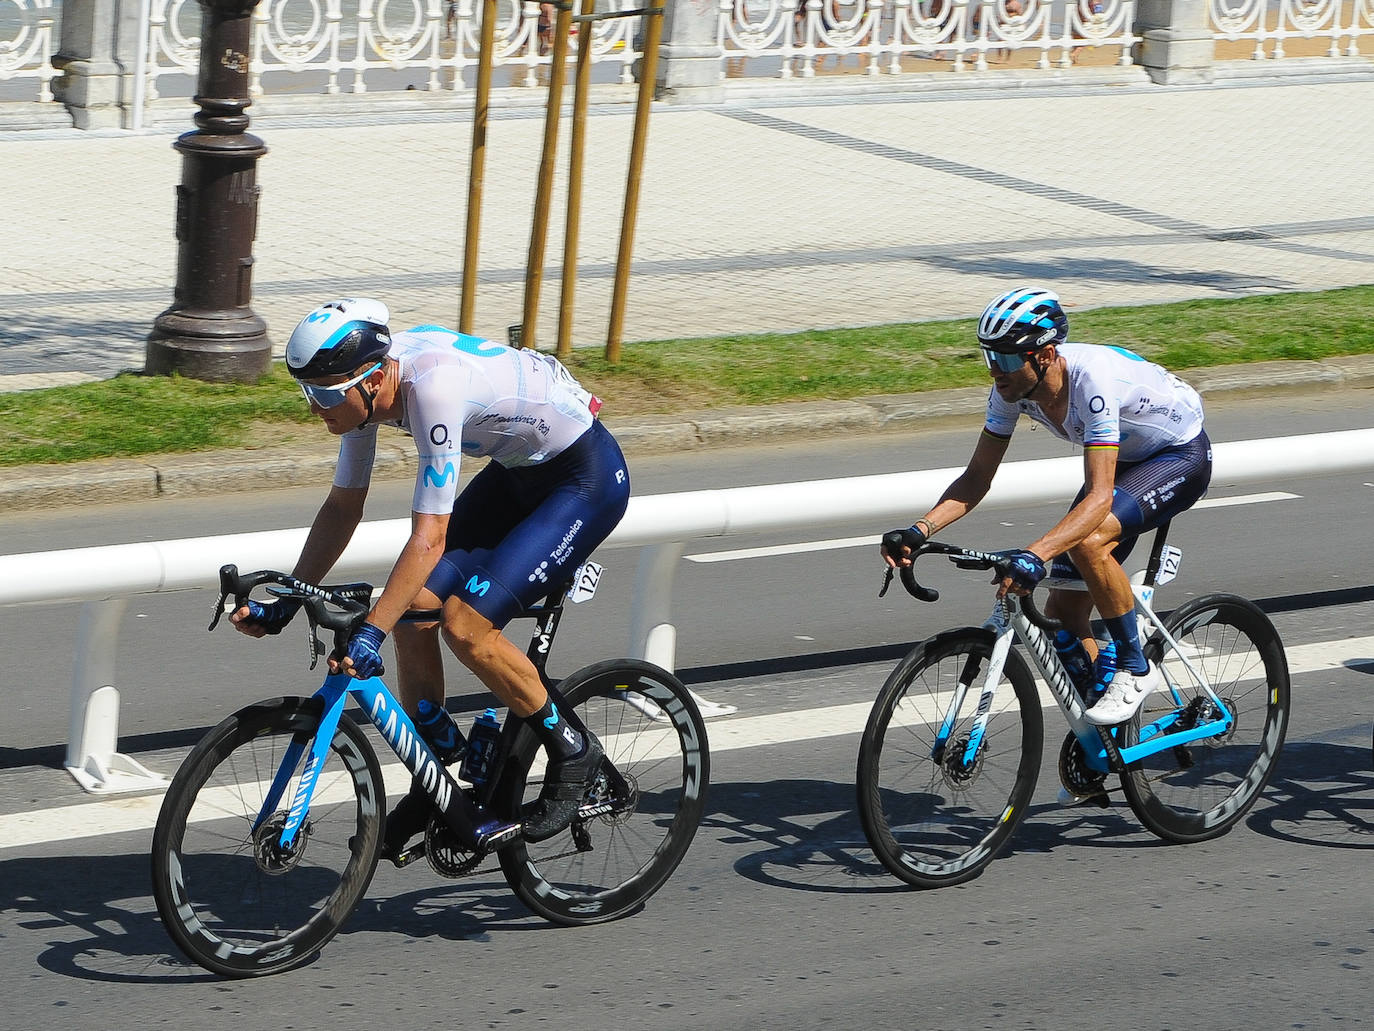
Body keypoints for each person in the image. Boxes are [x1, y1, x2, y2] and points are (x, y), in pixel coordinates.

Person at [230, 298, 630, 861]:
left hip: (582, 480)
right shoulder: (365, 395)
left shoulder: (433, 391)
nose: (315, 407)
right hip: (519, 474)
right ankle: (436, 774)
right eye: (306, 392)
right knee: (414, 604)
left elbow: (429, 538)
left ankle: (573, 750)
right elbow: (345, 507)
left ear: (370, 379)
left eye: (322, 394)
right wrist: (290, 598)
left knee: (465, 625)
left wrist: (370, 632)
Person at [881, 286, 1212, 726]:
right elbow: (976, 478)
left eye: (1005, 359)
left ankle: (1136, 668)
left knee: (1089, 544)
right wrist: (920, 530)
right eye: (989, 358)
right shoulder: (1010, 392)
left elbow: (1098, 496)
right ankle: (1108, 738)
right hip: (1129, 461)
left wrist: (1036, 554)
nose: (996, 371)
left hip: (1177, 455)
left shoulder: (1092, 382)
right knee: (1063, 611)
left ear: (1045, 354)